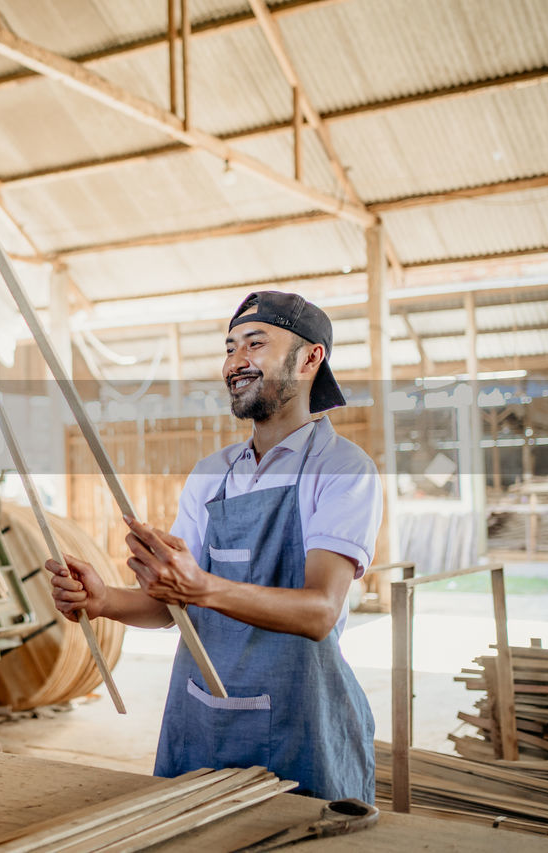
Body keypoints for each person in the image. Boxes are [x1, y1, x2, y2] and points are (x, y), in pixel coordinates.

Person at [47, 291, 383, 802]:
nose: (235, 362)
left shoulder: (341, 468)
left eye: (256, 343)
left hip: (302, 718)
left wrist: (200, 586)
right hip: (203, 715)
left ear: (312, 358)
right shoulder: (212, 474)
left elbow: (319, 612)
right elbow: (173, 607)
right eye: (230, 348)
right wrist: (105, 601)